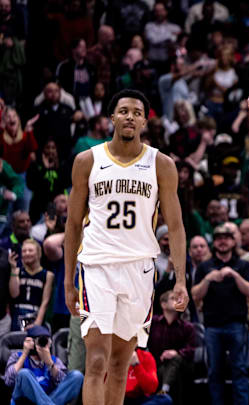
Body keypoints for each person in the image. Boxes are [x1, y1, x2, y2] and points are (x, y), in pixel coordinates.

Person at [63, 89, 189, 405]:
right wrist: (68, 281)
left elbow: (175, 227)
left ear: (144, 120)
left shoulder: (161, 164)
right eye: (123, 111)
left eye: (136, 111)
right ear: (112, 118)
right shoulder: (87, 160)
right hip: (96, 267)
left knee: (120, 365)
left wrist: (181, 280)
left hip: (139, 268)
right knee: (95, 361)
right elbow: (73, 224)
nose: (129, 116)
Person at [191, 223, 249, 405]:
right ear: (214, 243)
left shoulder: (242, 265)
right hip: (212, 326)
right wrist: (207, 279)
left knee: (239, 369)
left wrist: (235, 275)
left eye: (226, 238)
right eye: (219, 239)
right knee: (214, 371)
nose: (222, 242)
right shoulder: (205, 267)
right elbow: (195, 294)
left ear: (233, 242)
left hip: (236, 325)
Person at [3, 325, 84, 405]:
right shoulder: (18, 356)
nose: (43, 344)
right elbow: (8, 381)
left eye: (45, 341)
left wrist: (50, 363)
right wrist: (25, 353)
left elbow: (64, 386)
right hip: (24, 401)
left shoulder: (53, 360)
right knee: (24, 373)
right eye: (39, 340)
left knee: (77, 376)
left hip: (51, 398)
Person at [148, 290, 196, 404]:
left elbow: (192, 349)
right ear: (163, 304)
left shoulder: (187, 327)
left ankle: (163, 392)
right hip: (159, 365)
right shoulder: (153, 323)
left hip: (183, 365)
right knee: (166, 370)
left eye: (179, 299)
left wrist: (176, 353)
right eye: (173, 298)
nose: (178, 301)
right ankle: (165, 393)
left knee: (175, 360)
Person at [9, 239, 53, 331]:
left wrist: (37, 323)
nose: (27, 253)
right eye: (24, 251)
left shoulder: (48, 275)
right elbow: (14, 294)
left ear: (38, 254)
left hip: (36, 314)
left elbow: (45, 302)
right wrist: (13, 269)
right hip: (18, 313)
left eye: (30, 250)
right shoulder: (17, 271)